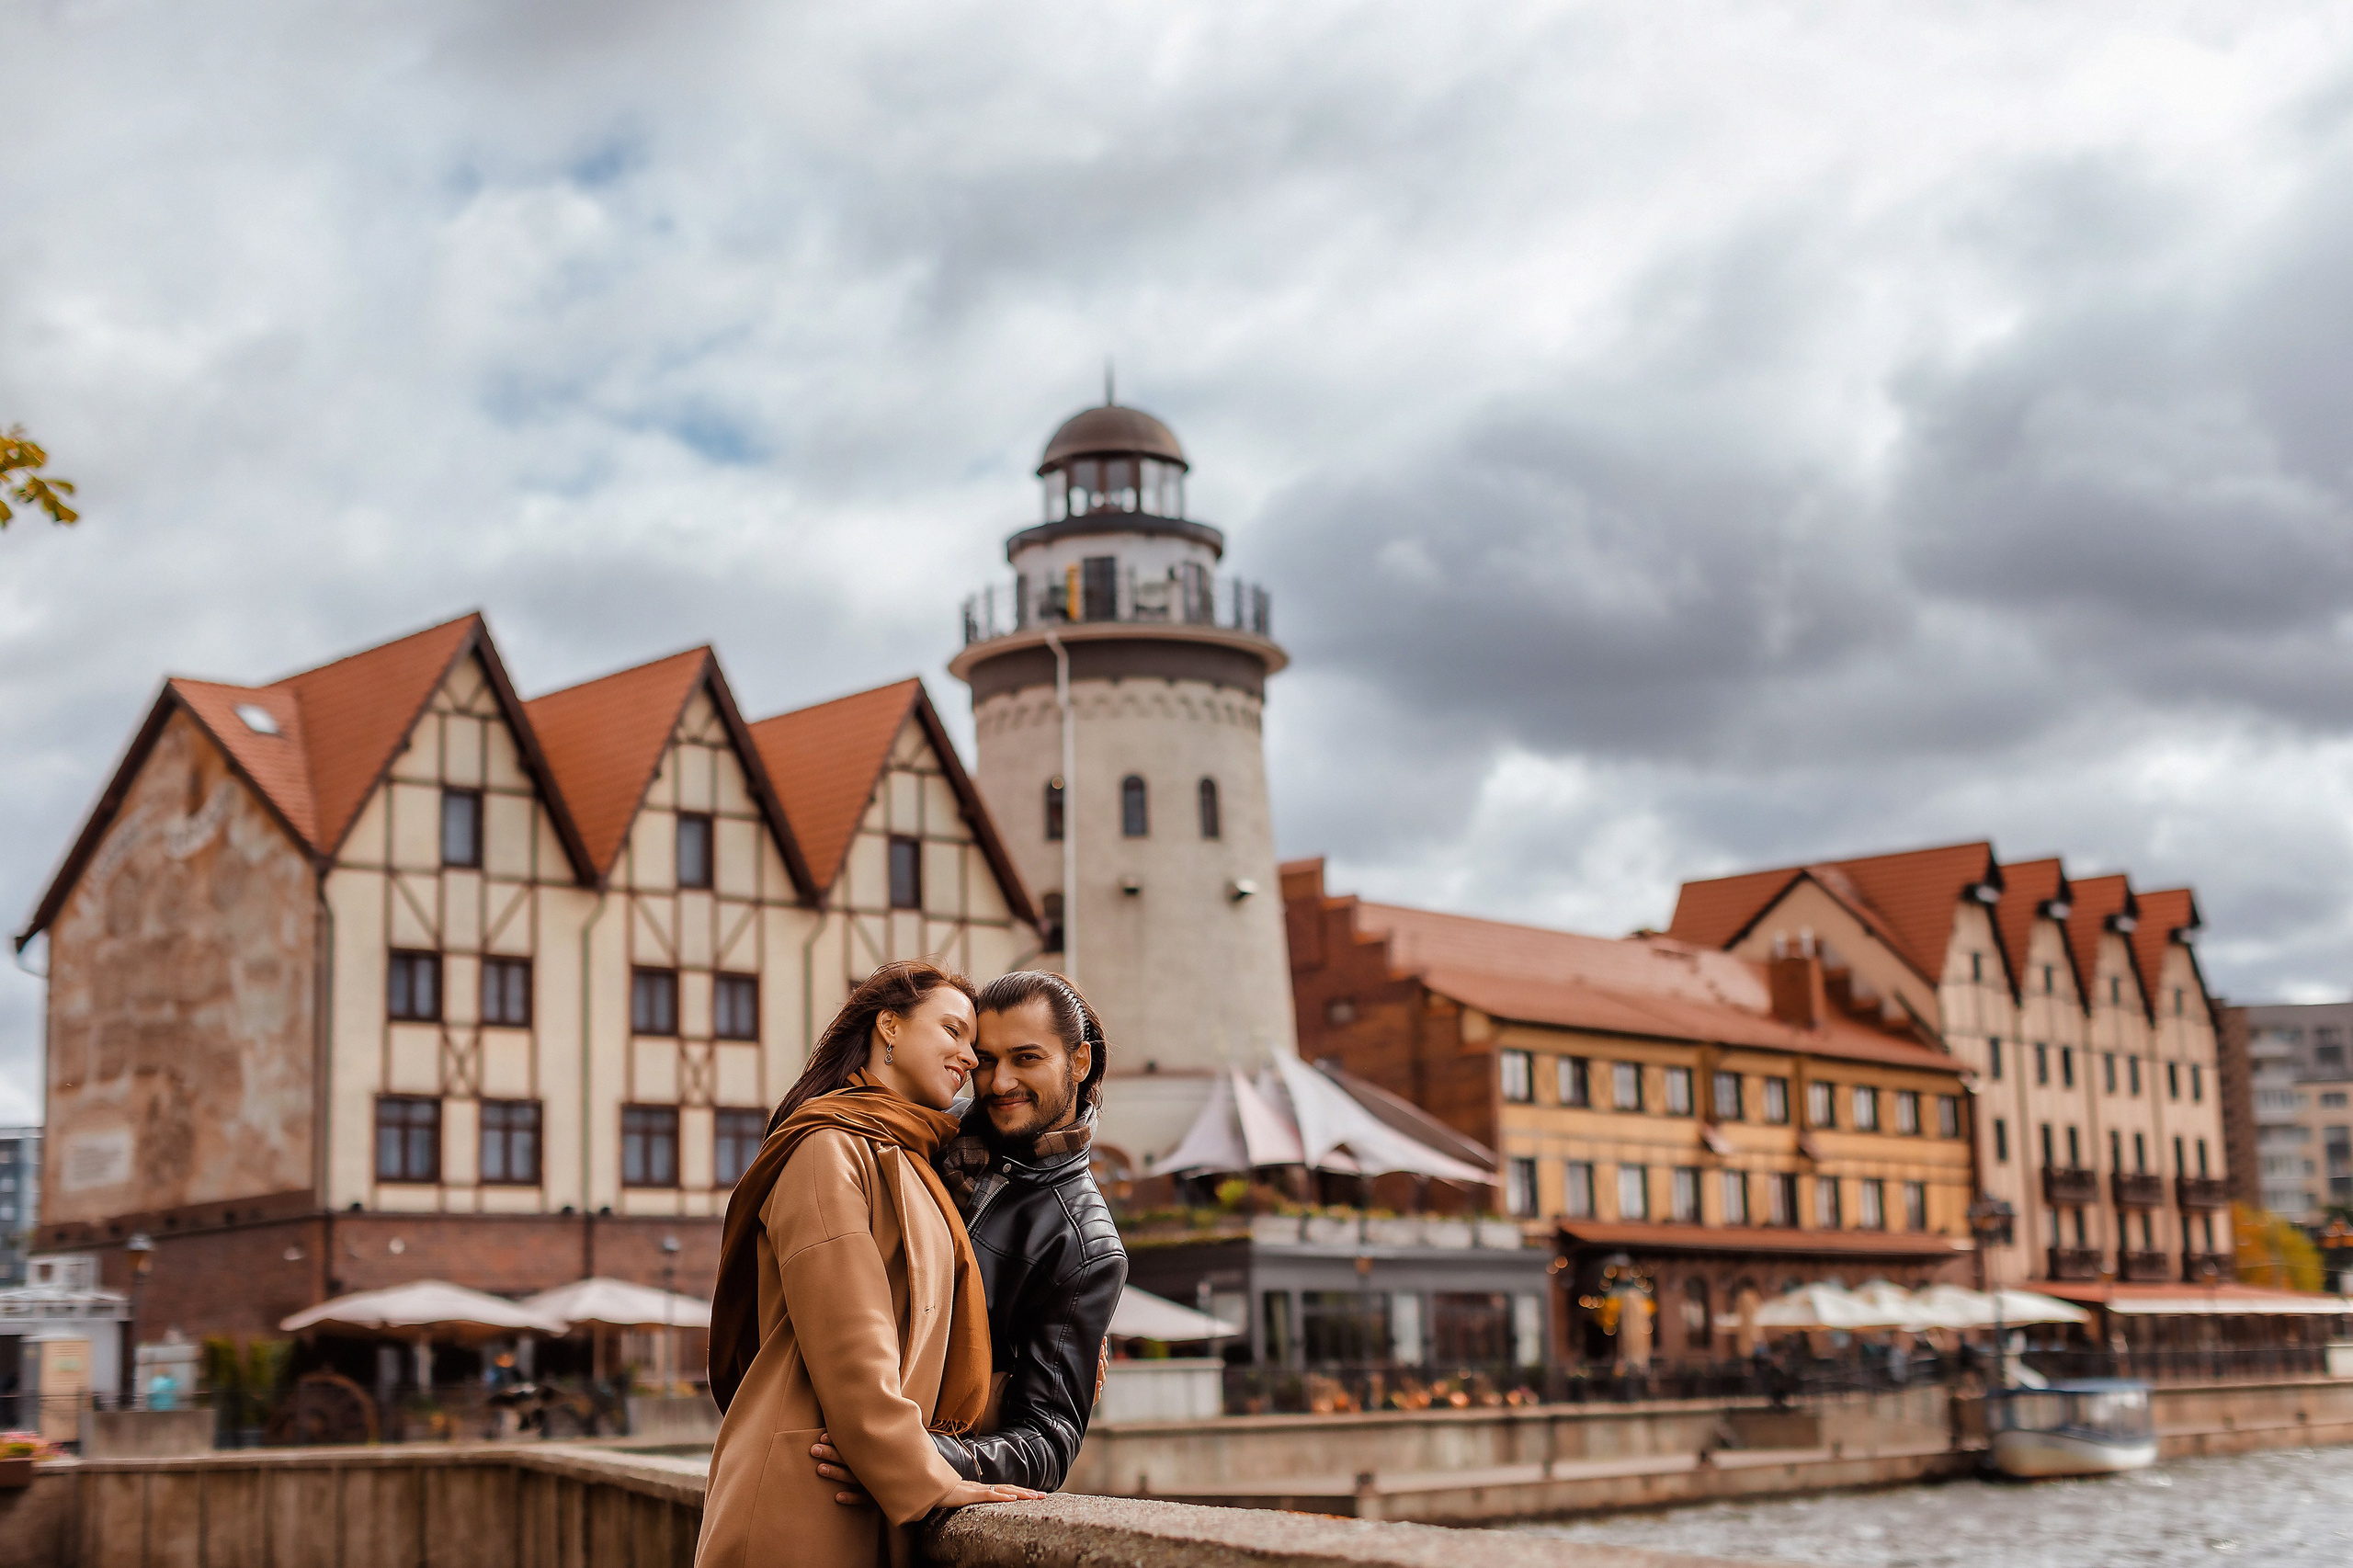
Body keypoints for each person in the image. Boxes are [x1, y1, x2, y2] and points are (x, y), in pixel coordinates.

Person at [697, 960, 1040, 1568]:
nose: (970, 1058)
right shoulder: (826, 1147)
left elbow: (921, 1345)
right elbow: (851, 1342)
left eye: (975, 1045)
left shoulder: (909, 1158)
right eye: (953, 1031)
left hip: (858, 1495)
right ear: (889, 1027)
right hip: (799, 1503)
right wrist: (929, 1476)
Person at [812, 969, 1127, 1501]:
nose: (999, 1083)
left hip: (875, 1478)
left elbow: (1047, 1445)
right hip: (809, 1434)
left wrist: (909, 1454)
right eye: (985, 1061)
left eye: (1026, 1058)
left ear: (1079, 1062)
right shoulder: (922, 1127)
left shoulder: (1085, 1244)